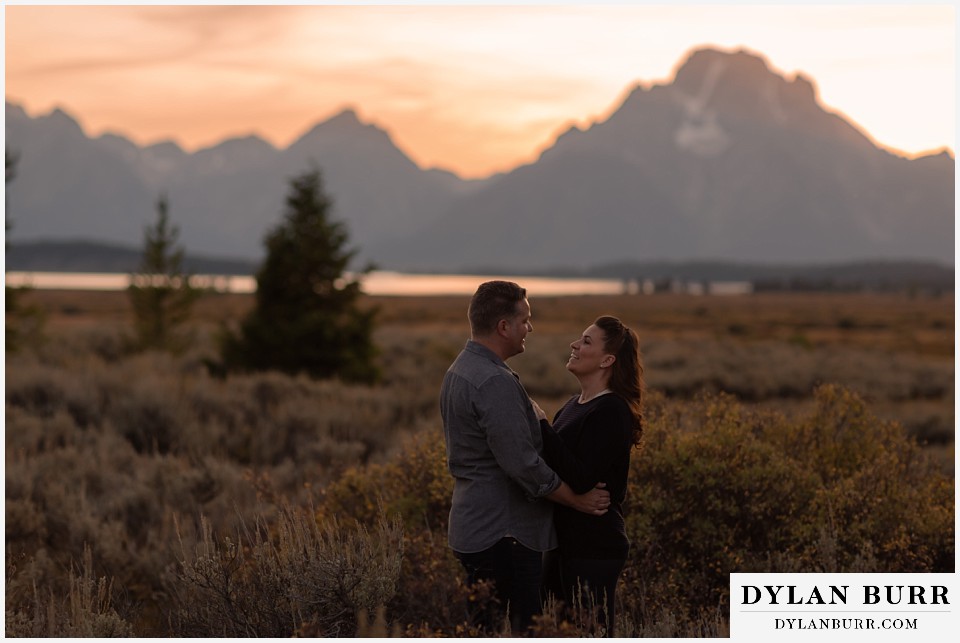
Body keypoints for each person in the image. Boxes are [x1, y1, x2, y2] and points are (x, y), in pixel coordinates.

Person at [440, 280, 612, 635]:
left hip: (478, 526)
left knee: (483, 630)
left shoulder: (462, 369)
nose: (529, 328)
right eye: (525, 320)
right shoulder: (492, 381)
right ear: (503, 327)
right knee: (524, 631)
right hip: (505, 534)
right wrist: (576, 500)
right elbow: (523, 465)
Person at [538, 315, 644, 636]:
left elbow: (583, 478)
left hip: (595, 546)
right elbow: (556, 466)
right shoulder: (574, 405)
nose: (575, 345)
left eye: (586, 341)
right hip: (565, 542)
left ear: (607, 360)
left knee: (589, 634)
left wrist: (541, 426)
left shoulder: (611, 410)